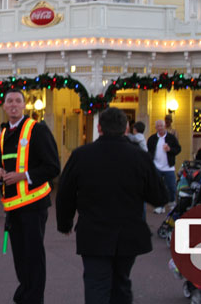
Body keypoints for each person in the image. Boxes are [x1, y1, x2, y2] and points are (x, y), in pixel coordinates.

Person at [56, 108, 168, 304]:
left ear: (99, 128)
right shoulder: (139, 157)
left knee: (96, 284)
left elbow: (65, 194)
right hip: (129, 232)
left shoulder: (81, 155)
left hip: (93, 232)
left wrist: (64, 223)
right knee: (121, 283)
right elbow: (159, 196)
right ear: (126, 128)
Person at [0, 90, 61, 304]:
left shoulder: (37, 129)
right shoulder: (4, 134)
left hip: (34, 205)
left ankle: (34, 299)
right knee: (20, 257)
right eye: (9, 101)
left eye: (18, 101)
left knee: (33, 257)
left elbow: (53, 167)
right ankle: (25, 293)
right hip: (12, 206)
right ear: (4, 106)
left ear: (24, 106)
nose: (13, 105)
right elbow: (3, 164)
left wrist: (25, 176)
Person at [147, 120, 181, 214]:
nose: (160, 128)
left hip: (168, 167)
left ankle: (171, 202)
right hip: (156, 166)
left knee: (171, 187)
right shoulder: (152, 139)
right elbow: (149, 151)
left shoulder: (171, 138)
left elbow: (178, 149)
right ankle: (160, 206)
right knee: (158, 187)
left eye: (161, 126)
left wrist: (170, 149)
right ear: (156, 128)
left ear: (164, 126)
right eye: (158, 126)